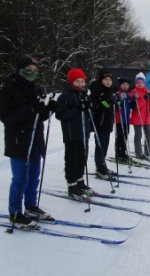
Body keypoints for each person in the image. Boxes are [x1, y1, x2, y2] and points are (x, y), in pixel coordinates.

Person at [0, 55, 56, 227]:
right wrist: (31, 109)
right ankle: (15, 212)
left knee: (34, 176)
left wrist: (48, 108)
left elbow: (39, 116)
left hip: (36, 139)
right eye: (29, 70)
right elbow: (6, 117)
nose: (32, 73)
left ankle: (31, 206)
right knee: (20, 178)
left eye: (35, 70)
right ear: (20, 69)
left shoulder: (35, 88)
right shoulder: (8, 89)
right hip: (19, 141)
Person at [55, 68, 93, 200]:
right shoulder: (65, 96)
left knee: (82, 158)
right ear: (71, 82)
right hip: (72, 134)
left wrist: (88, 107)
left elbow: (86, 113)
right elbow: (60, 115)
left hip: (83, 133)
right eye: (77, 81)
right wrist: (78, 108)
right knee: (72, 160)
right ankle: (72, 186)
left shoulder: (83, 94)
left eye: (82, 81)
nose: (81, 84)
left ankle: (80, 181)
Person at [90, 69, 118, 179]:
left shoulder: (108, 90)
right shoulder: (98, 90)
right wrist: (112, 101)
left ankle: (102, 165)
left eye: (110, 80)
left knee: (105, 144)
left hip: (107, 123)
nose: (108, 82)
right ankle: (100, 168)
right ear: (101, 80)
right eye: (105, 79)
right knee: (100, 145)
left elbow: (113, 104)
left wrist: (116, 101)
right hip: (100, 123)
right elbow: (104, 104)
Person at [131, 73, 150, 158]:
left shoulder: (147, 90)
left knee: (149, 134)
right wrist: (145, 99)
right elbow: (136, 106)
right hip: (137, 117)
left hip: (146, 117)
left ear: (144, 83)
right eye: (138, 82)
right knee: (138, 135)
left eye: (141, 82)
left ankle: (148, 150)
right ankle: (138, 152)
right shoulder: (134, 92)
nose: (139, 84)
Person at [115, 78, 133, 161]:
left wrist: (134, 101)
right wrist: (119, 100)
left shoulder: (129, 94)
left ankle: (123, 151)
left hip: (127, 120)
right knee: (120, 137)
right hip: (120, 120)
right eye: (123, 84)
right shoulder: (118, 94)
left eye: (127, 84)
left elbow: (132, 106)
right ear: (120, 85)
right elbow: (116, 104)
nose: (125, 86)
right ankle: (118, 152)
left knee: (125, 135)